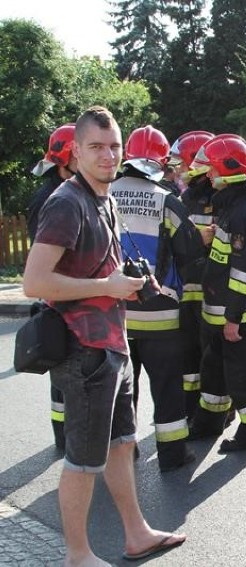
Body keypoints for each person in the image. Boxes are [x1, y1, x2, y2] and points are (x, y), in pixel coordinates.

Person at [22, 106, 187, 564]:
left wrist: (128, 288)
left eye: (114, 146)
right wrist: (106, 288)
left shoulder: (105, 198)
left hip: (113, 342)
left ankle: (136, 533)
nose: (108, 155)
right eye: (96, 147)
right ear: (75, 152)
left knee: (122, 444)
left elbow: (98, 270)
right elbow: (34, 283)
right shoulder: (65, 203)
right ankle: (78, 556)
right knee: (84, 460)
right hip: (83, 350)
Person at [111, 125, 207, 472]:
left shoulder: (103, 194)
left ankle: (125, 455)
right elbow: (191, 255)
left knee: (122, 393)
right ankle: (172, 455)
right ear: (161, 161)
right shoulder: (167, 200)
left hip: (114, 315)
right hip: (161, 315)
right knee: (168, 389)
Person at [187, 134, 246, 452]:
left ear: (227, 170)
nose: (207, 175)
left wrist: (233, 318)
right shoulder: (233, 206)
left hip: (239, 315)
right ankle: (208, 422)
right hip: (222, 311)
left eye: (211, 169)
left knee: (245, 375)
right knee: (215, 371)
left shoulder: (243, 213)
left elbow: (245, 271)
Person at [27, 123, 78, 452]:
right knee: (65, 373)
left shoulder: (51, 193)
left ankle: (64, 435)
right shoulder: (57, 199)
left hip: (60, 295)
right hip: (62, 298)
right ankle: (66, 438)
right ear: (68, 159)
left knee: (62, 376)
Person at [171, 130, 217, 419]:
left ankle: (204, 411)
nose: (179, 170)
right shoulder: (189, 198)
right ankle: (204, 410)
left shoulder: (192, 200)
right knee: (195, 356)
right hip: (199, 293)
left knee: (200, 355)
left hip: (200, 294)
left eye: (182, 163)